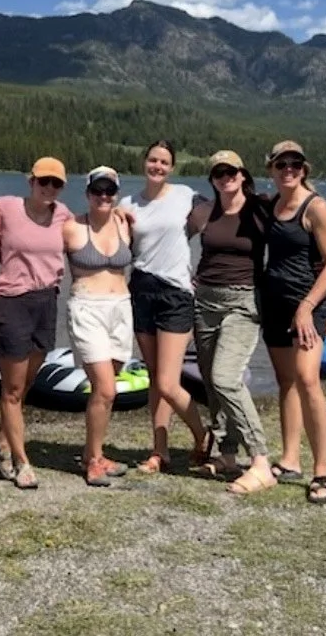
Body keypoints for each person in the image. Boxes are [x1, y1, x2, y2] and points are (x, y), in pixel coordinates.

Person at [259, 140, 326, 505]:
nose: (288, 169)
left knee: (308, 380)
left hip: (307, 309)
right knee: (286, 381)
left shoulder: (317, 208)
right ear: (272, 170)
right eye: (282, 164)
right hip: (274, 306)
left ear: (304, 169)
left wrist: (307, 306)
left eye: (295, 164)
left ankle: (322, 469)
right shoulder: (272, 204)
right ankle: (290, 459)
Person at [118, 140, 210, 474]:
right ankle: (160, 452)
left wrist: (209, 272)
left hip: (175, 294)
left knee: (170, 382)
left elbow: (218, 227)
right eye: (153, 160)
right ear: (145, 162)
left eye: (164, 162)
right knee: (156, 376)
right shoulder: (128, 202)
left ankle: (203, 435)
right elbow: (122, 245)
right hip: (141, 289)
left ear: (171, 167)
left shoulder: (186, 196)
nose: (157, 166)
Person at [188, 151, 276, 494]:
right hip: (205, 301)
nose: (225, 177)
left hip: (243, 302)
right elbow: (171, 241)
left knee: (226, 378)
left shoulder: (260, 207)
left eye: (231, 171)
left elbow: (294, 229)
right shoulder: (204, 210)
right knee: (211, 381)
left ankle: (260, 461)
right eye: (218, 172)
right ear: (212, 178)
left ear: (242, 174)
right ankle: (226, 454)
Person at [0, 157, 72, 490]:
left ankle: (1, 442)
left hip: (46, 302)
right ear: (30, 181)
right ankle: (20, 461)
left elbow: (91, 223)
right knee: (13, 389)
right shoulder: (6, 207)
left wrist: (122, 214)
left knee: (27, 383)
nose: (49, 188)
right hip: (13, 302)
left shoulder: (62, 214)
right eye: (43, 181)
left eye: (56, 183)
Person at [64, 166, 135, 486]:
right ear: (88, 193)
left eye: (109, 191)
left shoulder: (124, 222)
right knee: (105, 388)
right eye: (98, 190)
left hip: (121, 308)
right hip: (86, 308)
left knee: (107, 390)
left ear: (116, 193)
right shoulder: (71, 227)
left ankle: (96, 451)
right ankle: (92, 461)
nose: (104, 196)